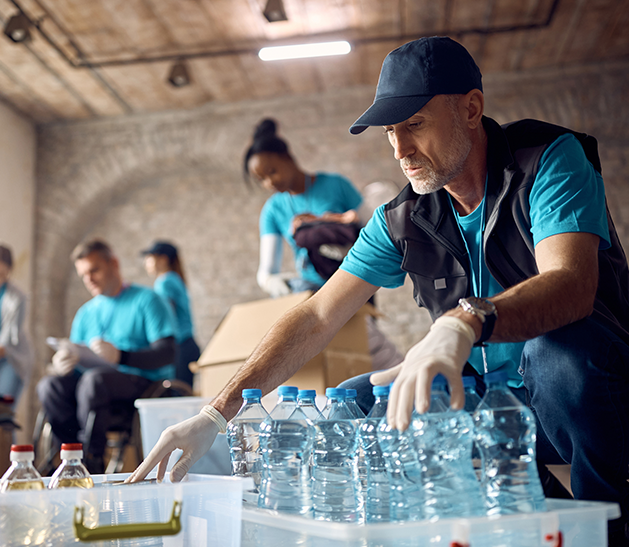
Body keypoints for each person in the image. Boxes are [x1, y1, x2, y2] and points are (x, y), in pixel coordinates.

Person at [129, 36, 629, 546]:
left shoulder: (546, 159)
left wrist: (464, 321)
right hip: (495, 409)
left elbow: (572, 285)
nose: (400, 150)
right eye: (390, 131)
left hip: (588, 392)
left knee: (558, 353)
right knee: (356, 401)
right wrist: (216, 412)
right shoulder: (405, 217)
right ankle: (474, 523)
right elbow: (318, 315)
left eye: (414, 125)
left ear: (471, 108)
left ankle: (608, 525)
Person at [37, 239, 177, 473]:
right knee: (50, 385)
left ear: (114, 264)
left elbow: (168, 353)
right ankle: (68, 460)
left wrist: (121, 357)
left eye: (94, 270)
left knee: (94, 381)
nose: (88, 279)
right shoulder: (85, 313)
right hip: (93, 391)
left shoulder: (148, 301)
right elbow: (76, 361)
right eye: (83, 275)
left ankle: (91, 463)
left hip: (143, 386)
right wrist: (63, 364)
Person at [245, 118, 365, 296]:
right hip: (312, 291)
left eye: (272, 172)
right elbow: (266, 271)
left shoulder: (336, 185)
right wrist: (270, 281)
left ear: (287, 157)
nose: (269, 183)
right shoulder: (273, 210)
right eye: (261, 180)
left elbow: (371, 229)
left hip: (354, 282)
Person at [141, 240, 199, 387]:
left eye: (150, 257)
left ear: (163, 259)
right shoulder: (174, 279)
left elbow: (164, 315)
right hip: (188, 344)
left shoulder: (165, 282)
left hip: (181, 347)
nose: (146, 262)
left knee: (179, 395)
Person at [0, 244, 35, 405]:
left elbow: (6, 342)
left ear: (8, 270)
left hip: (11, 359)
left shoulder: (17, 298)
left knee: (4, 412)